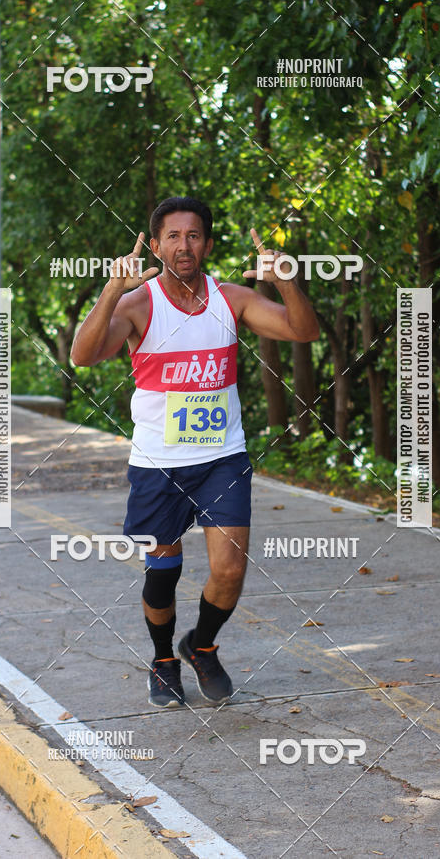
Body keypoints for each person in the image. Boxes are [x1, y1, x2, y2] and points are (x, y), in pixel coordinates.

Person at [71, 197, 319, 708]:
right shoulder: (138, 305)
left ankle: (201, 646)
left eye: (194, 235)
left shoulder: (232, 298)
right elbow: (84, 355)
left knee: (230, 570)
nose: (184, 245)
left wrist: (287, 282)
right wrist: (111, 291)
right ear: (157, 244)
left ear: (206, 244)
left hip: (222, 459)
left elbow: (303, 331)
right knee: (163, 575)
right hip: (158, 464)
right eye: (174, 236)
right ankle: (163, 658)